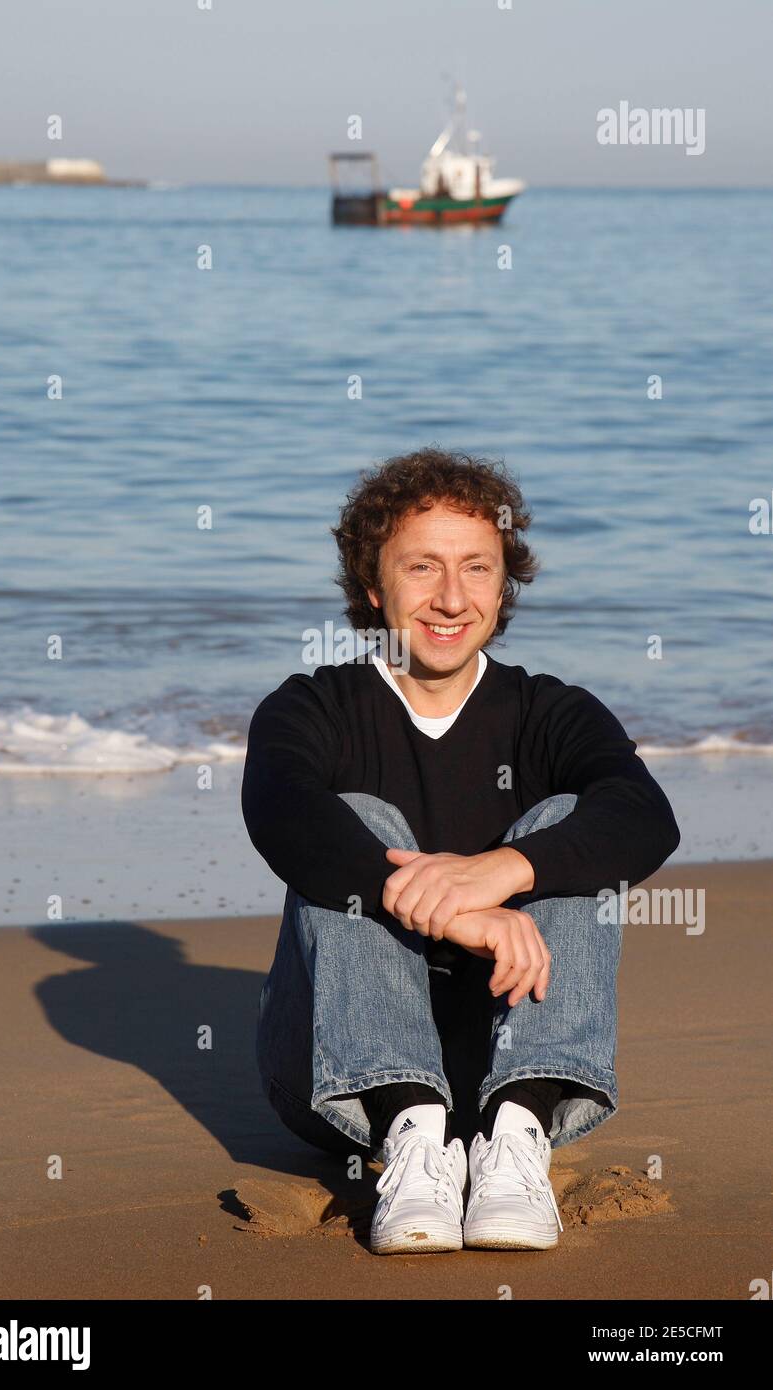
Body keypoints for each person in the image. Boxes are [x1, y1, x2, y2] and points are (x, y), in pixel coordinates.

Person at [241, 448, 680, 1255]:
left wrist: (503, 871)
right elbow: (280, 812)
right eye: (422, 567)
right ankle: (410, 1135)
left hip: (502, 1065)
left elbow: (645, 815)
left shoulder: (550, 711)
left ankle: (517, 1141)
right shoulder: (314, 708)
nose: (451, 597)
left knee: (567, 819)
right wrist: (469, 921)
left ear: (503, 585)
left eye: (477, 567)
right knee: (354, 814)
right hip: (331, 1076)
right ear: (374, 586)